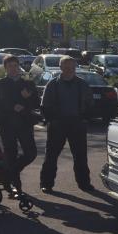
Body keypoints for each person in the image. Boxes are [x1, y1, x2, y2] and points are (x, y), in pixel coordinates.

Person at [39, 56, 94, 193]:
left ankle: (84, 184)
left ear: (75, 68)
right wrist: (52, 120)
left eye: (72, 67)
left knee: (80, 156)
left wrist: (84, 118)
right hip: (58, 124)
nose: (69, 70)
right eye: (66, 67)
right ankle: (46, 183)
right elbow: (44, 106)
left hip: (77, 124)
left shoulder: (83, 84)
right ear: (61, 68)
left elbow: (90, 104)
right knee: (51, 156)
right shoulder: (52, 84)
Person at [0, 55, 39, 197]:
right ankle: (15, 188)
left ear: (19, 67)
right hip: (6, 124)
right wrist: (12, 107)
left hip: (24, 123)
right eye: (10, 66)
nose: (13, 69)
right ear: (5, 68)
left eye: (16, 66)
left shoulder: (28, 84)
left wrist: (27, 99)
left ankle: (9, 173)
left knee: (31, 153)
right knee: (11, 154)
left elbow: (36, 104)